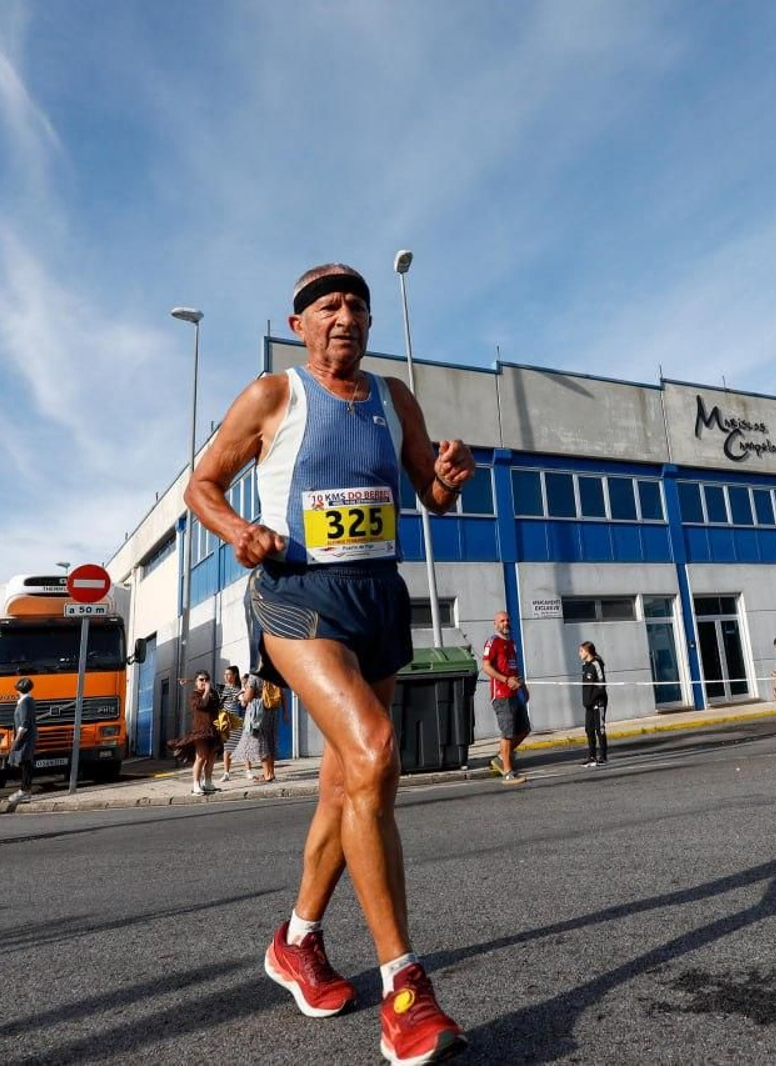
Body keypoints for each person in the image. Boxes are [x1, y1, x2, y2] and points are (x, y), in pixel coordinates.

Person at [185, 263, 472, 1064]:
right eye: (328, 306)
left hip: (377, 597)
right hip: (297, 598)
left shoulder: (393, 399)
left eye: (357, 304)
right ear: (300, 322)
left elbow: (431, 494)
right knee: (377, 748)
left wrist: (448, 482)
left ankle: (297, 942)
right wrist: (240, 532)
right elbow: (202, 486)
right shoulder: (273, 396)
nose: (345, 315)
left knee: (350, 780)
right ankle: (406, 989)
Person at [481, 611, 530, 784]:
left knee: (524, 729)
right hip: (501, 695)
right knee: (507, 733)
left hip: (514, 693)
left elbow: (514, 669)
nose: (506, 623)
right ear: (495, 624)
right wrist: (505, 680)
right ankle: (507, 772)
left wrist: (523, 687)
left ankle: (502, 757)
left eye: (507, 620)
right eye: (502, 621)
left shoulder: (512, 643)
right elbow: (486, 667)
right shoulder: (492, 642)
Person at [167, 672, 222, 795]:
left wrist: (193, 681)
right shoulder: (194, 695)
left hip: (213, 729)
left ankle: (207, 782)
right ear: (197, 682)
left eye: (207, 679)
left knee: (212, 757)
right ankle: (196, 784)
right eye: (201, 680)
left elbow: (218, 704)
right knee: (201, 756)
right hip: (201, 730)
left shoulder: (212, 693)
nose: (204, 682)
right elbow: (202, 704)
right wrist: (206, 690)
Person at [229, 672, 265, 781]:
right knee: (253, 743)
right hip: (250, 719)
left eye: (245, 682)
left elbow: (244, 702)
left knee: (248, 744)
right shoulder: (259, 684)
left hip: (249, 720)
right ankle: (255, 771)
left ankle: (252, 771)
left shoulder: (249, 690)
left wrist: (241, 699)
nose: (244, 684)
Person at [578, 641, 609, 766]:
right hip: (589, 704)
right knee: (588, 729)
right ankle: (591, 756)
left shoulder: (596, 664)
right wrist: (586, 701)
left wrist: (595, 699)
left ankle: (603, 756)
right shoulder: (585, 666)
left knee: (599, 729)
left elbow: (601, 684)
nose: (579, 653)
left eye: (581, 651)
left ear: (587, 651)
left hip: (598, 702)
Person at [8, 677, 38, 803]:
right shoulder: (26, 700)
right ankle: (26, 790)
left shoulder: (25, 702)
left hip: (25, 737)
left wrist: (17, 739)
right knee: (26, 762)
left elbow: (24, 722)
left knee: (25, 762)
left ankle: (24, 790)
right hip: (27, 736)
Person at [218, 665, 249, 783]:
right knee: (227, 748)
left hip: (237, 721)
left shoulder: (239, 688)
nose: (226, 676)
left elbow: (243, 704)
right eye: (225, 674)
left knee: (243, 746)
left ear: (234, 675)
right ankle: (226, 773)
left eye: (228, 674)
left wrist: (241, 697)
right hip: (225, 722)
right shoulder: (222, 689)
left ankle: (248, 771)